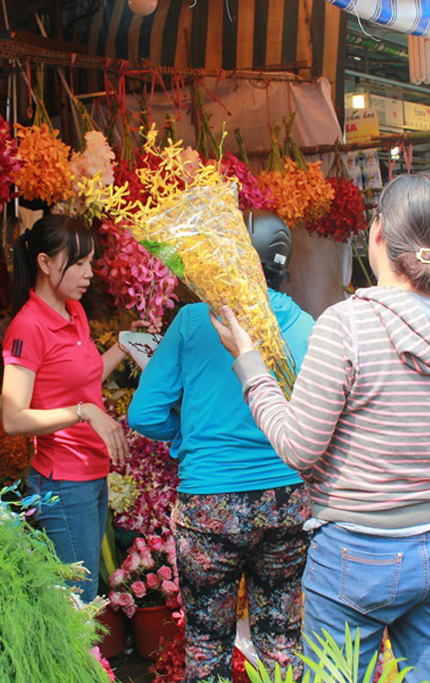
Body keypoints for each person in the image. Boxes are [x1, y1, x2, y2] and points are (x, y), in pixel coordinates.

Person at [211, 173, 430, 682]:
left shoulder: (346, 325)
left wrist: (250, 363)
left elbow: (299, 448)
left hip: (361, 552)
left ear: (379, 232)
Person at [128, 210, 316, 682]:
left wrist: (186, 439)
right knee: (282, 642)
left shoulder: (195, 322)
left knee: (207, 646)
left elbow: (144, 413)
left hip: (209, 506)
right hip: (287, 503)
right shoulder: (306, 325)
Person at [1, 215, 149, 603]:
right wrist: (84, 412)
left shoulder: (75, 312)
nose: (88, 274)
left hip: (91, 474)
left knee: (84, 596)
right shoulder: (27, 327)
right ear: (45, 263)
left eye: (91, 263)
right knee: (76, 603)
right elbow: (13, 418)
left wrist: (125, 345)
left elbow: (85, 377)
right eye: (78, 263)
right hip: (62, 483)